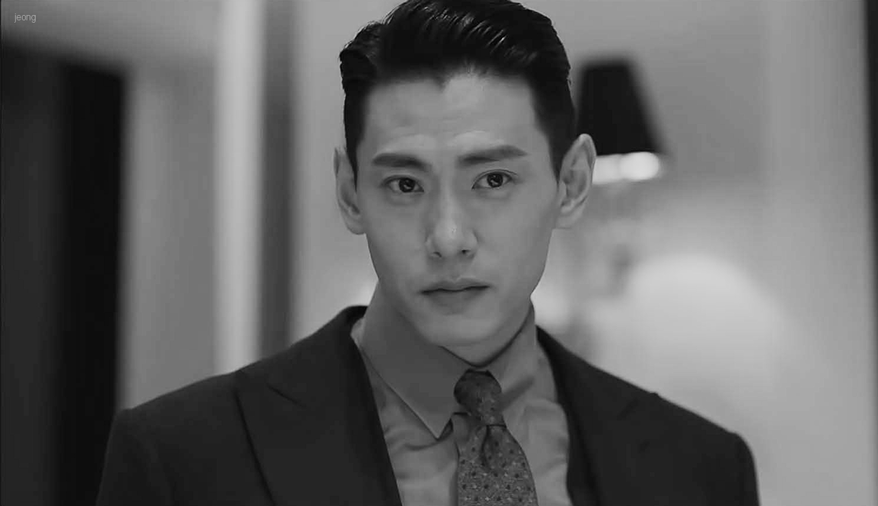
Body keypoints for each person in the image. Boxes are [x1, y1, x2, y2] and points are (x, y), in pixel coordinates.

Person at [95, 0, 759, 504]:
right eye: (405, 185)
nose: (448, 238)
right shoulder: (181, 458)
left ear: (573, 183)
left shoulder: (700, 467)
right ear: (350, 193)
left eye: (492, 180)